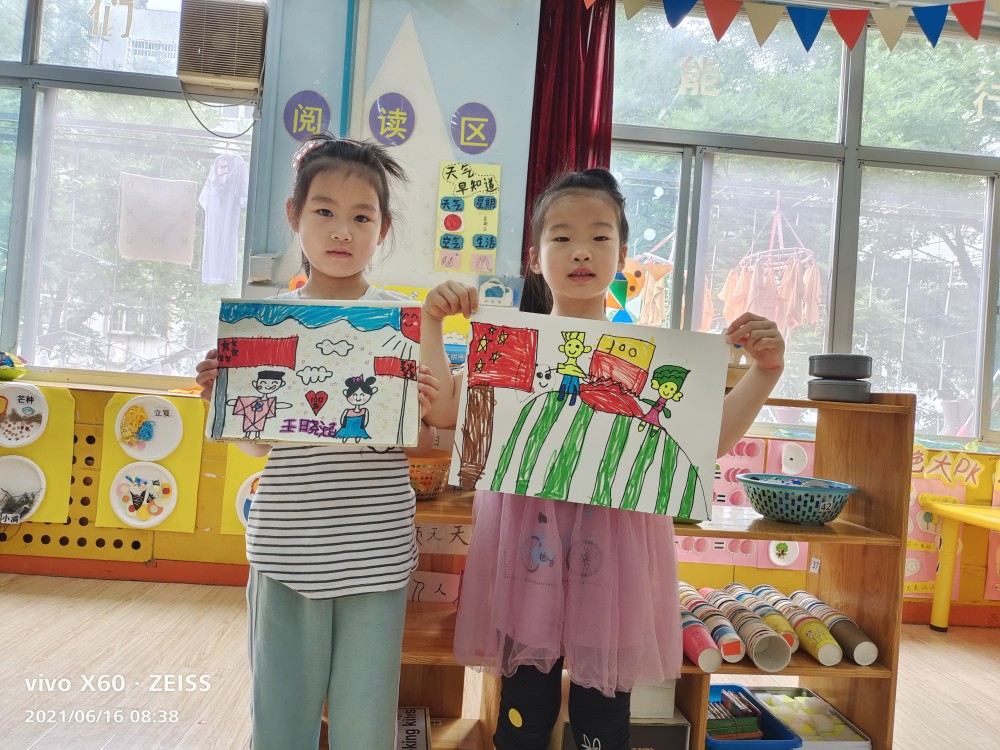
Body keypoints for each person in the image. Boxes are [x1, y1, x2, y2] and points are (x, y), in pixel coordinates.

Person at [420, 169, 785, 750]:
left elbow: (706, 440)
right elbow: (444, 411)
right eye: (561, 237)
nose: (582, 251)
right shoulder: (512, 342)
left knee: (603, 713)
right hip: (530, 548)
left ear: (622, 254)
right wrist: (433, 323)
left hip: (613, 553)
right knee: (525, 706)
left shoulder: (652, 353)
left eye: (600, 236)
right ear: (535, 257)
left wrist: (765, 372)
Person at [195, 134, 441, 750]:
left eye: (362, 217)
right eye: (324, 211)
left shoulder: (400, 324)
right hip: (286, 550)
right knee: (280, 721)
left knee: (365, 727)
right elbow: (257, 449)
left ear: (383, 229)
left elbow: (420, 440)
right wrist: (223, 396)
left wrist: (421, 408)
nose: (342, 231)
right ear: (294, 215)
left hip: (375, 556)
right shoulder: (266, 323)